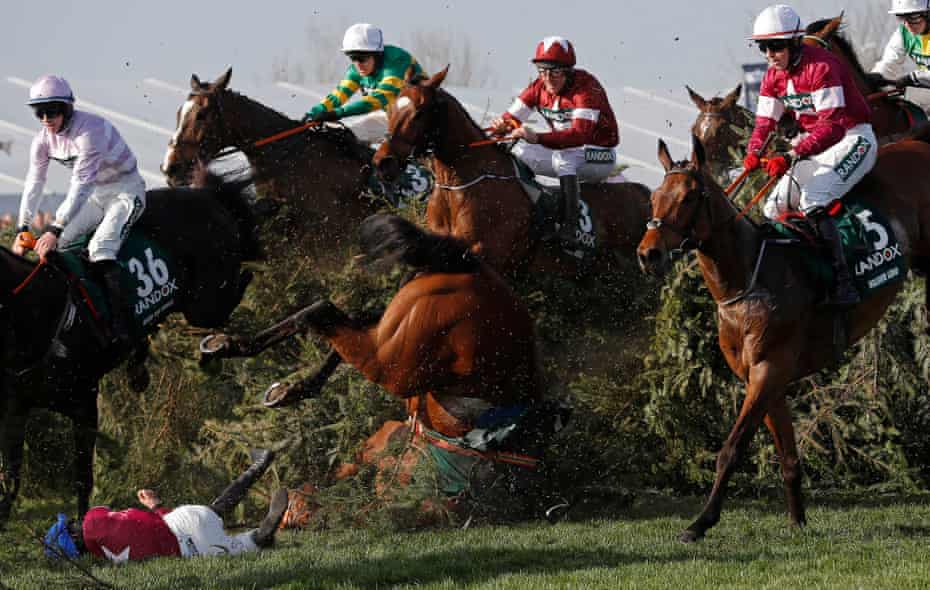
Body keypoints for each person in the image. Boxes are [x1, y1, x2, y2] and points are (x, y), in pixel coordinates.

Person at [742, 5, 876, 307]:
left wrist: (791, 156)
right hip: (817, 146)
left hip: (852, 138)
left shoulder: (822, 66)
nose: (769, 55)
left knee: (812, 199)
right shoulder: (772, 76)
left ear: (794, 42)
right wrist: (753, 152)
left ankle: (843, 283)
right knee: (773, 208)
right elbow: (764, 123)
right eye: (763, 47)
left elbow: (832, 127)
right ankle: (797, 279)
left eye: (776, 46)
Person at [11, 75, 146, 347]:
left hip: (126, 191)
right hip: (97, 196)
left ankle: (124, 325)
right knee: (58, 247)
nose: (46, 119)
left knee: (100, 249)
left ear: (67, 108)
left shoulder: (89, 131)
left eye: (52, 111)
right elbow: (34, 182)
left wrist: (54, 228)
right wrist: (22, 228)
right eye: (39, 112)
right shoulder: (42, 140)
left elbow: (80, 184)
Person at [488, 37, 620, 248]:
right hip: (568, 152)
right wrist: (502, 126)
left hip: (600, 155)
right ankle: (538, 209)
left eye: (555, 72)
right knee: (518, 152)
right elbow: (511, 118)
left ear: (568, 71)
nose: (548, 79)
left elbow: (578, 136)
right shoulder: (538, 87)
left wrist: (537, 137)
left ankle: (570, 228)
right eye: (542, 71)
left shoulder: (587, 89)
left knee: (563, 157)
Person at [44, 449, 288, 562]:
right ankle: (259, 464)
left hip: (193, 554)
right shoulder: (93, 520)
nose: (76, 521)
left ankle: (259, 536)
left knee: (243, 545)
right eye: (71, 524)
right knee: (214, 510)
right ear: (73, 533)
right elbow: (136, 523)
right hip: (183, 523)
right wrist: (155, 506)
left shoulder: (111, 564)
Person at [301, 23, 425, 142]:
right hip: (390, 115)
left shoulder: (397, 61)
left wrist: (338, 113)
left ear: (378, 55)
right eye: (353, 58)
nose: (358, 64)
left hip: (420, 118)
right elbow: (338, 96)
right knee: (343, 133)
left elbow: (379, 98)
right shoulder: (356, 70)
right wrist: (313, 113)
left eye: (362, 58)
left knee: (349, 134)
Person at [868, 0, 930, 93]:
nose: (908, 25)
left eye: (913, 17)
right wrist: (877, 75)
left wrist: (914, 77)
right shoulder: (904, 33)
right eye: (902, 17)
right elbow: (890, 62)